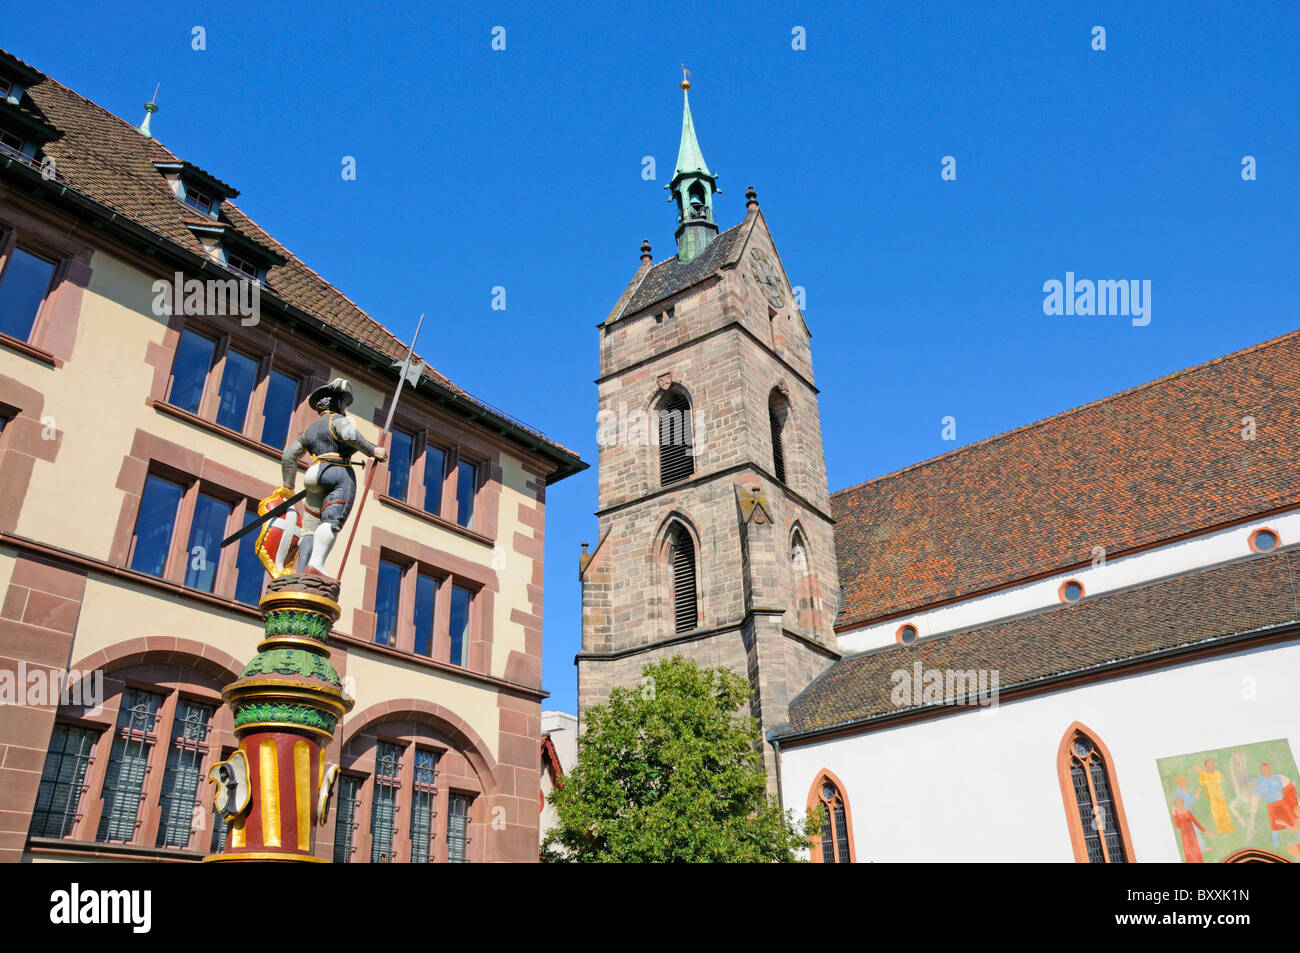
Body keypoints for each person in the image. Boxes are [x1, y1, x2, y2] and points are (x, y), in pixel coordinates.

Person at [278, 378, 387, 575]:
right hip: (336, 472)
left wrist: (288, 485)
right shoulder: (338, 420)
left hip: (312, 474)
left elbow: (288, 456)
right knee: (332, 521)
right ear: (337, 403)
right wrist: (373, 450)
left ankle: (302, 571)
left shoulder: (308, 431)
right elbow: (350, 436)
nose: (345, 407)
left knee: (309, 528)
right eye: (344, 403)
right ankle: (316, 564)